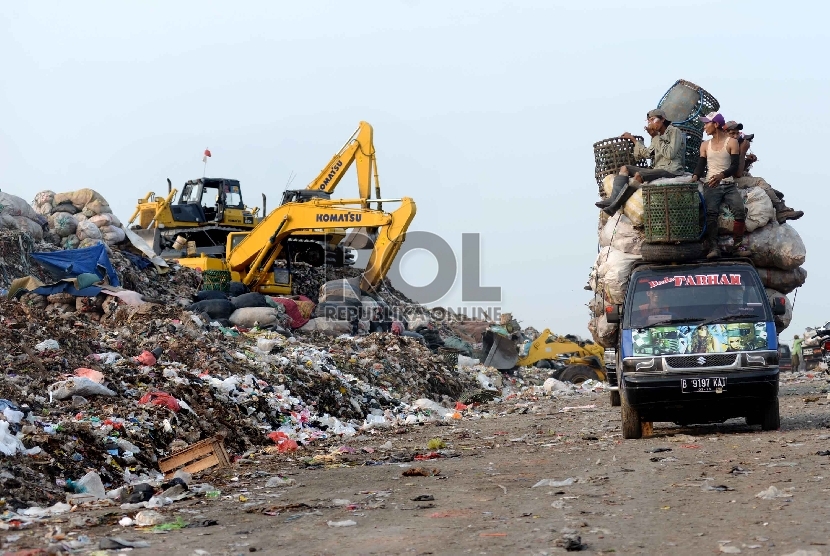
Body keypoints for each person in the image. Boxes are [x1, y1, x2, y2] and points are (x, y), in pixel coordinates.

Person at [596, 108, 687, 216]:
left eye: (653, 120)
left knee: (640, 175)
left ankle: (615, 206)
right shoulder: (657, 136)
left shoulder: (674, 131)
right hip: (658, 168)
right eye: (649, 121)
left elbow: (670, 154)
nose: (650, 123)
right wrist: (634, 140)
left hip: (671, 170)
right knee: (625, 168)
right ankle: (612, 199)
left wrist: (654, 137)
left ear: (662, 119)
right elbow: (647, 153)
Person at [692, 112, 748, 259]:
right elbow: (700, 165)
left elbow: (734, 166)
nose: (704, 127)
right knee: (711, 214)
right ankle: (714, 247)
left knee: (740, 211)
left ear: (715, 124)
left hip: (728, 184)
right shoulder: (705, 145)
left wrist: (721, 176)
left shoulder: (731, 142)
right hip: (711, 184)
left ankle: (737, 247)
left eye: (706, 124)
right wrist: (694, 177)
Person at [725, 121, 803, 224]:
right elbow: (737, 174)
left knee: (751, 177)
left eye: (737, 133)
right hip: (727, 181)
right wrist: (743, 152)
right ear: (725, 133)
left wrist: (747, 161)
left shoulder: (731, 145)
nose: (735, 136)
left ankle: (773, 196)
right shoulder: (727, 146)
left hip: (733, 177)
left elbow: (739, 171)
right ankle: (781, 209)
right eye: (732, 133)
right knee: (759, 181)